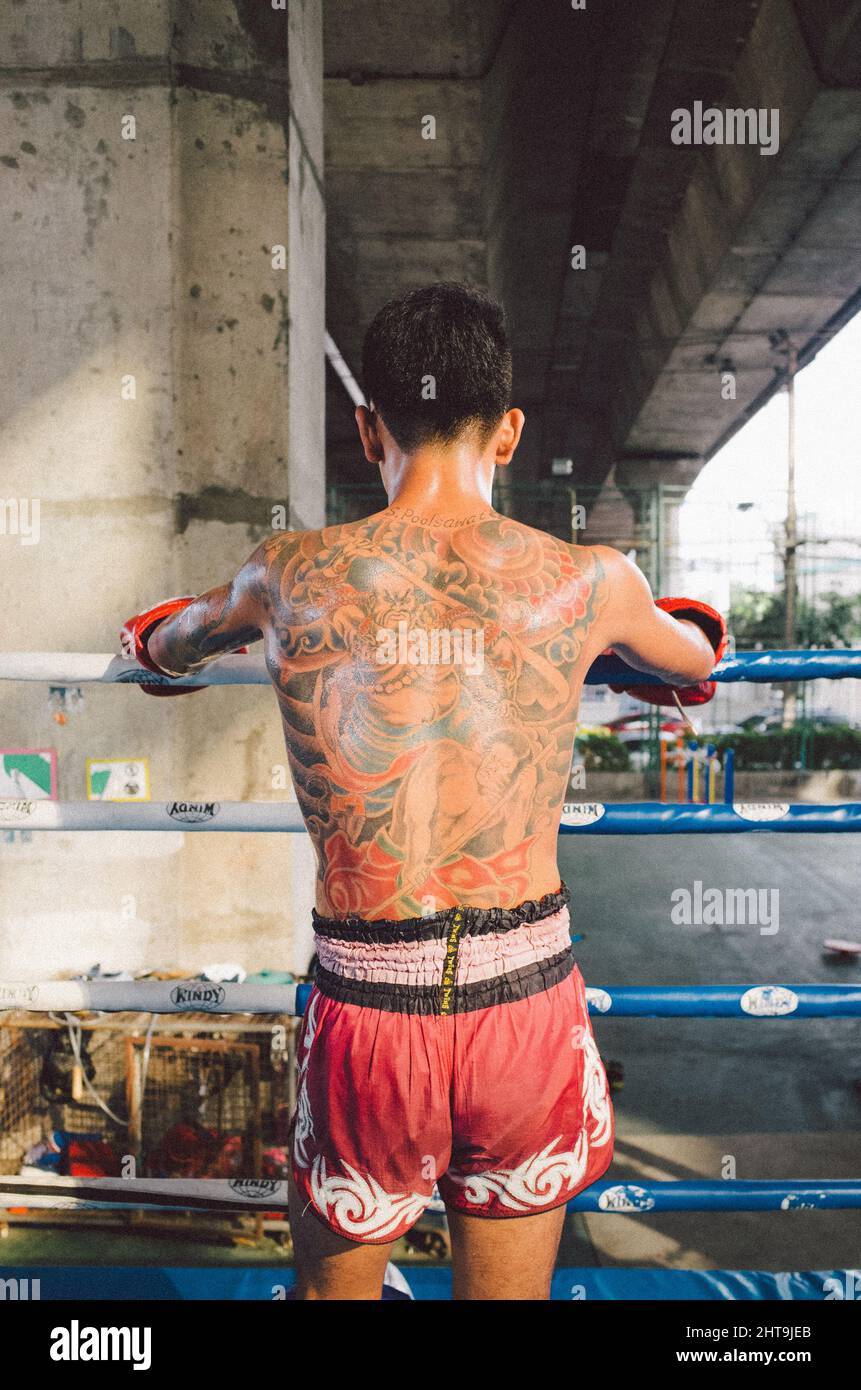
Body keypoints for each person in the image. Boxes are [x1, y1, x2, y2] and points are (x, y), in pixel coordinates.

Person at [121, 282, 724, 1300]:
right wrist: (685, 626)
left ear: (368, 428)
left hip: (369, 1009)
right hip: (524, 1001)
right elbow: (695, 657)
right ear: (510, 433)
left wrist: (161, 636)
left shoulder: (288, 575)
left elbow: (166, 644)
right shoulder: (590, 580)